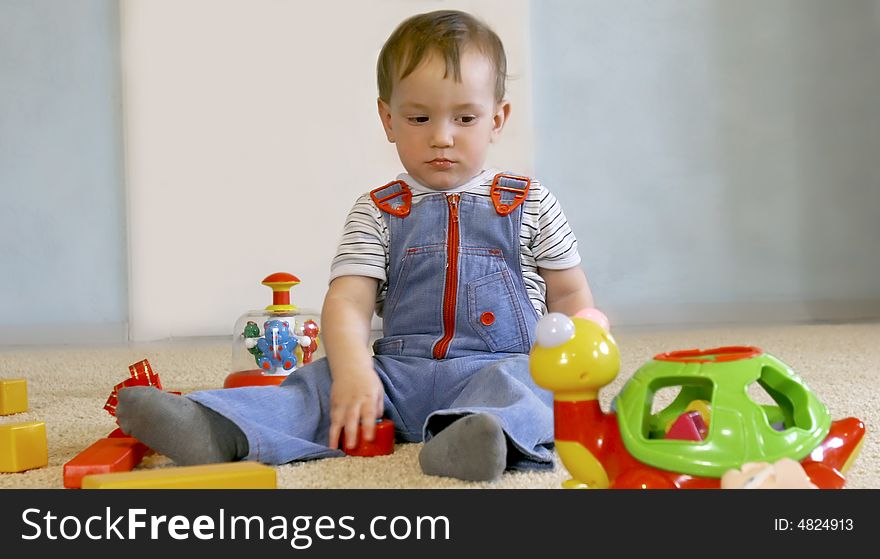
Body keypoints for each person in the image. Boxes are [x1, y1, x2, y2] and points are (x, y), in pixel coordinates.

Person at [116, 9, 595, 482]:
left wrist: (584, 337)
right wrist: (353, 371)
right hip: (397, 379)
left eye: (465, 117)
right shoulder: (378, 210)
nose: (441, 137)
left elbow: (569, 295)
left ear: (497, 119)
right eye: (419, 117)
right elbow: (348, 300)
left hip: (498, 369)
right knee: (316, 387)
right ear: (388, 119)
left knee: (536, 385)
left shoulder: (530, 203)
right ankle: (219, 427)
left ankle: (472, 439)